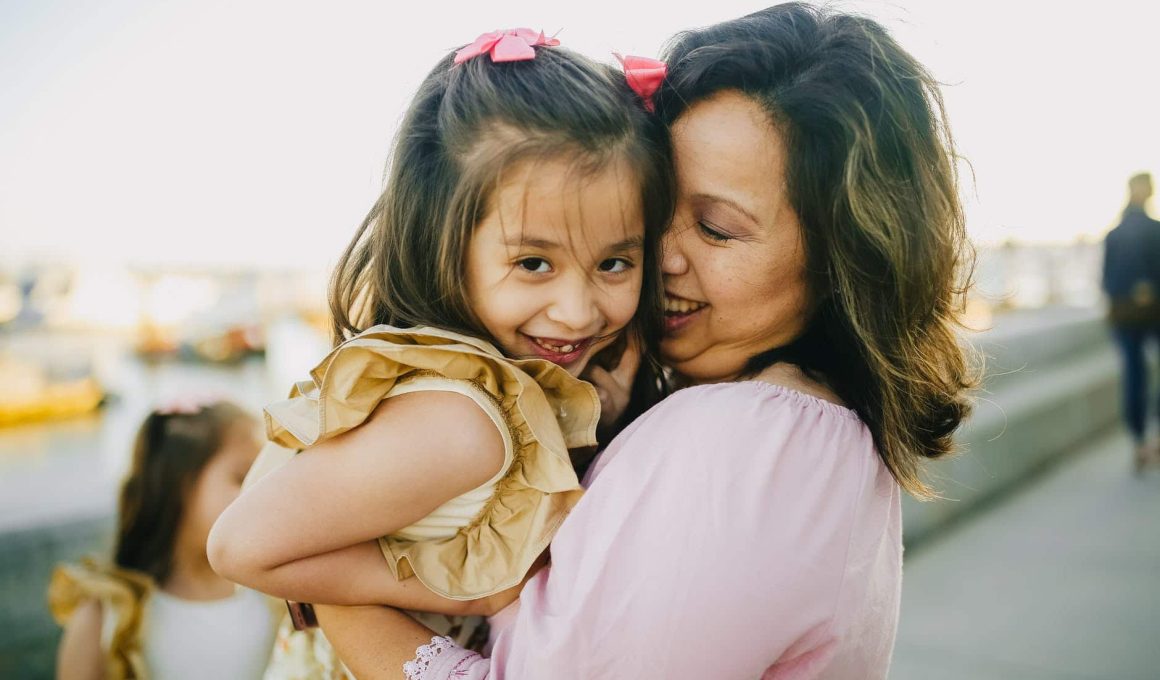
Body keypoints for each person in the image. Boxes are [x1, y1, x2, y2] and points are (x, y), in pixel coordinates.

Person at [309, 5, 977, 679]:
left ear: (845, 261)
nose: (661, 256)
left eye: (716, 228)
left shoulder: (747, 443)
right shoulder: (797, 431)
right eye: (651, 212)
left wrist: (328, 587)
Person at [206, 27, 672, 677]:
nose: (579, 309)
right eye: (535, 262)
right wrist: (459, 588)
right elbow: (237, 547)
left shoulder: (503, 386)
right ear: (442, 244)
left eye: (614, 262)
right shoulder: (461, 423)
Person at [50, 399, 277, 680]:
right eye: (242, 476)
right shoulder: (105, 615)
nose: (262, 492)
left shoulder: (276, 595)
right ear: (178, 485)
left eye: (266, 477)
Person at [1102, 172, 1160, 473]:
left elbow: (1106, 282)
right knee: (1140, 375)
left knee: (1133, 375)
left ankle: (1139, 440)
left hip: (1123, 314)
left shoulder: (1114, 234)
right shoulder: (1155, 230)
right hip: (1153, 313)